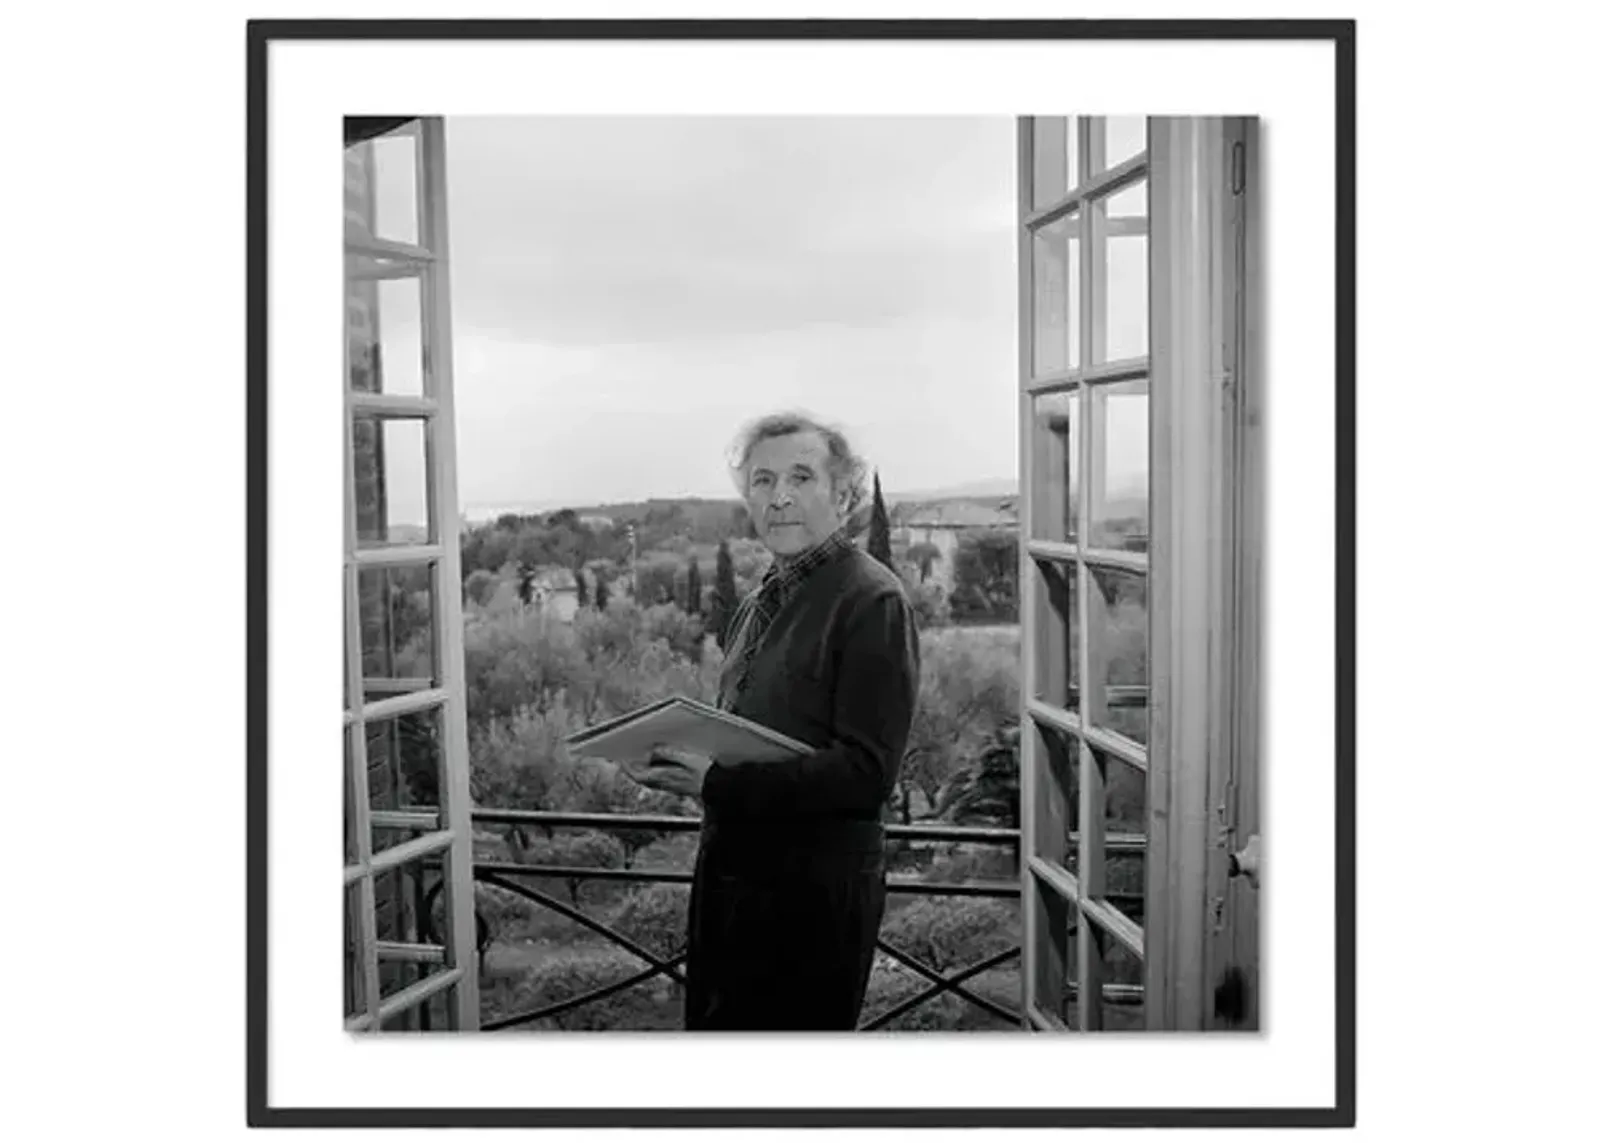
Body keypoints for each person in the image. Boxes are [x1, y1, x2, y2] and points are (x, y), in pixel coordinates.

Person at [619, 411, 920, 1030]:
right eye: (761, 481)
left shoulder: (872, 602)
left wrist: (715, 782)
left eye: (801, 477)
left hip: (812, 904)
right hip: (733, 885)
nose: (779, 497)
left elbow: (866, 774)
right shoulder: (763, 598)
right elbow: (751, 729)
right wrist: (670, 754)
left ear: (843, 494)